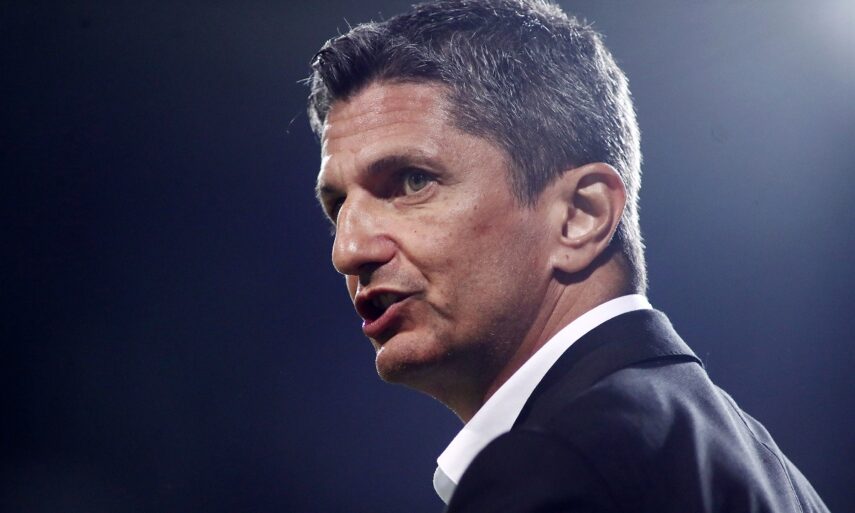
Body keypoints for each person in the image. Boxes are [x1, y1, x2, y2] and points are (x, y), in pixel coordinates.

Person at [307, 1, 830, 511]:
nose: (347, 251)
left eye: (412, 182)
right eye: (338, 206)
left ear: (582, 215)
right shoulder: (770, 474)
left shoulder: (557, 466)